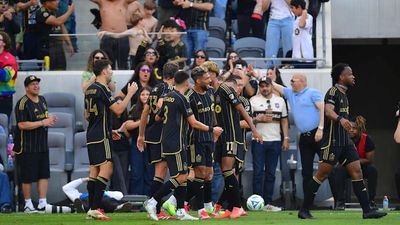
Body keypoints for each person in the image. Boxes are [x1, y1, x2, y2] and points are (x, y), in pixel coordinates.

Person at [298, 63, 387, 219]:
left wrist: (348, 124)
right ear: (341, 76)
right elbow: (328, 111)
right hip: (332, 141)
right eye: (350, 74)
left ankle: (367, 211)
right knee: (322, 175)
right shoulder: (333, 92)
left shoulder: (344, 95)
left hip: (345, 142)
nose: (353, 76)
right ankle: (304, 210)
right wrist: (340, 119)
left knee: (357, 172)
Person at [144, 70, 223, 221]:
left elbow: (157, 117)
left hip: (167, 141)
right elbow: (193, 122)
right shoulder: (182, 98)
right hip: (177, 142)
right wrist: (212, 129)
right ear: (187, 83)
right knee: (181, 177)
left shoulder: (168, 97)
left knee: (182, 177)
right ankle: (153, 201)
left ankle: (180, 210)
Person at [84, 59, 137, 220]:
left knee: (94, 171)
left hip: (92, 134)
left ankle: (90, 209)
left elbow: (87, 116)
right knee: (107, 168)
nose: (112, 71)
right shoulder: (102, 89)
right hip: (101, 135)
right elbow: (119, 110)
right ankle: (94, 208)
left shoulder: (89, 89)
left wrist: (109, 129)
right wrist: (130, 94)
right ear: (104, 71)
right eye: (110, 68)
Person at [213, 76, 263, 219]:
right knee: (227, 174)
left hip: (237, 141)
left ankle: (232, 206)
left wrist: (230, 124)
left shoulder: (244, 101)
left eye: (240, 85)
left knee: (232, 173)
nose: (238, 88)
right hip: (223, 138)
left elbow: (246, 122)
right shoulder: (218, 97)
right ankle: (229, 206)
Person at [273, 73, 324, 204]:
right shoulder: (290, 93)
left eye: (293, 81)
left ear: (302, 82)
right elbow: (277, 86)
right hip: (304, 138)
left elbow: (323, 109)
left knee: (328, 167)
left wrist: (321, 128)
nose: (291, 83)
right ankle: (308, 204)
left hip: (318, 135)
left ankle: (338, 202)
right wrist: (261, 76)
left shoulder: (313, 92)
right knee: (306, 172)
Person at [137, 62, 178, 219]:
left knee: (160, 173)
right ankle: (155, 207)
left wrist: (141, 135)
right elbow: (161, 105)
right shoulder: (167, 89)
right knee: (161, 172)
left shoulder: (154, 88)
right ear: (174, 76)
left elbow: (145, 111)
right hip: (162, 134)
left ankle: (155, 207)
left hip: (152, 134)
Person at [13, 75, 57, 213]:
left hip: (42, 144)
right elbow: (21, 125)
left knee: (43, 174)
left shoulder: (43, 100)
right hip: (27, 146)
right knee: (27, 176)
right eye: (33, 84)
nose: (36, 86)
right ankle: (27, 204)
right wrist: (43, 122)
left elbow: (44, 119)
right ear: (26, 87)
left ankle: (43, 203)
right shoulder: (22, 103)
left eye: (37, 83)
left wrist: (49, 120)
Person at [250, 76, 288, 212]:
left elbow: (284, 120)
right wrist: (257, 119)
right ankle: (256, 203)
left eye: (267, 86)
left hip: (275, 140)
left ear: (272, 86)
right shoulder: (253, 100)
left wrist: (286, 138)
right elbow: (248, 121)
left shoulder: (280, 101)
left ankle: (268, 203)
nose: (265, 88)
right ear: (259, 87)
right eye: (262, 86)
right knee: (258, 173)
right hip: (259, 141)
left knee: (271, 173)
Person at [185, 66, 218, 219]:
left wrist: (214, 131)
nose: (209, 80)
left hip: (210, 139)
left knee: (209, 174)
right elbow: (192, 122)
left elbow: (212, 115)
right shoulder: (189, 96)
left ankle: (206, 205)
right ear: (198, 81)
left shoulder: (210, 92)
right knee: (200, 173)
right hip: (196, 139)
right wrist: (211, 130)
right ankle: (199, 210)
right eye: (206, 79)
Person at [331, 116, 378, 210]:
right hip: (346, 167)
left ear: (359, 129)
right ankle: (340, 202)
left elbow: (369, 159)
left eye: (354, 128)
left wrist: (353, 161)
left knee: (372, 170)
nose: (351, 130)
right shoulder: (342, 139)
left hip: (362, 167)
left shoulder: (367, 139)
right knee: (336, 171)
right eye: (349, 128)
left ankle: (371, 201)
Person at [122, 87, 154, 196]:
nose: (145, 96)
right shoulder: (135, 108)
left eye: (147, 94)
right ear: (139, 96)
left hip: (151, 145)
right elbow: (128, 125)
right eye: (142, 94)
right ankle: (137, 200)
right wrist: (142, 121)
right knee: (136, 173)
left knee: (150, 173)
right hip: (136, 144)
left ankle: (149, 199)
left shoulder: (155, 108)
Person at [90, 0, 135, 70]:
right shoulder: (102, 1)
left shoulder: (123, 1)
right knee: (106, 64)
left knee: (123, 65)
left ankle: (124, 81)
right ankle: (108, 81)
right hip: (106, 37)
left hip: (122, 37)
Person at [36, 0, 75, 70]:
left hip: (58, 46)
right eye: (54, 1)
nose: (57, 2)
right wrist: (69, 11)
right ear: (47, 2)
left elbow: (62, 27)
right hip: (47, 48)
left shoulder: (56, 11)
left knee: (61, 68)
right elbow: (57, 22)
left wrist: (69, 43)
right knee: (49, 70)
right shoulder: (41, 12)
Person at [62, 177, 132, 213]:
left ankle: (119, 208)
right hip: (89, 202)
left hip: (103, 201)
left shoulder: (105, 193)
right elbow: (66, 188)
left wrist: (105, 192)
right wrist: (84, 179)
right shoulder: (81, 195)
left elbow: (120, 195)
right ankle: (82, 208)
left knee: (107, 200)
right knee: (84, 201)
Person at [262, 0, 294, 67]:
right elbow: (264, 8)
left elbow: (293, 4)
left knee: (289, 47)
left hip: (288, 18)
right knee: (270, 48)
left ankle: (289, 66)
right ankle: (270, 69)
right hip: (273, 20)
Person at [289, 0, 314, 68]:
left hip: (305, 58)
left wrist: (304, 11)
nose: (291, 10)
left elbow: (301, 24)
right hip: (296, 57)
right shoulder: (296, 18)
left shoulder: (308, 17)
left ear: (299, 7)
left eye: (292, 7)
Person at [0, 31, 18, 118]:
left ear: (4, 43)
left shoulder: (10, 59)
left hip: (3, 100)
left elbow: (6, 76)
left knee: (2, 128)